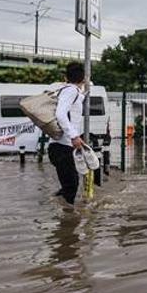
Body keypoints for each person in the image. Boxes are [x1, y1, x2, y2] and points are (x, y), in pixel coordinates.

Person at [47, 62, 86, 206]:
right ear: (83, 79)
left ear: (65, 77)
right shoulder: (71, 91)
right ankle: (66, 222)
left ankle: (58, 210)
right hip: (62, 147)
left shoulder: (69, 91)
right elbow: (61, 114)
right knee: (71, 187)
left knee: (69, 184)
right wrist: (74, 136)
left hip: (60, 147)